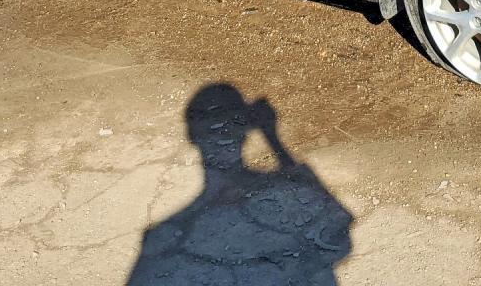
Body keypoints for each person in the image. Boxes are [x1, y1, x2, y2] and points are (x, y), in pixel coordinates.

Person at [128, 84, 352, 284]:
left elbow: (337, 235)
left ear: (192, 135)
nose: (222, 133)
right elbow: (335, 235)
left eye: (228, 121)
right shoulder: (282, 195)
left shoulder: (170, 236)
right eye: (215, 124)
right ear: (247, 130)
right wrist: (272, 137)